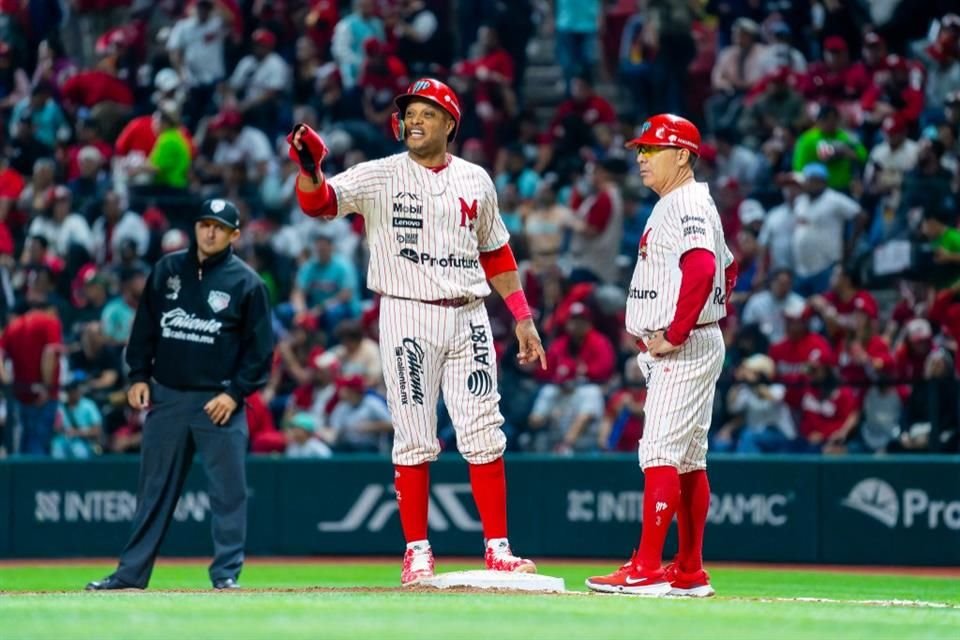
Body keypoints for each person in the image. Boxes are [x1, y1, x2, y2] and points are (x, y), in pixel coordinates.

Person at [288, 77, 547, 586]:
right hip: (407, 312)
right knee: (413, 434)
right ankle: (417, 551)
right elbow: (318, 205)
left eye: (427, 113)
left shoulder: (476, 179)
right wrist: (310, 169)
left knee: (483, 430)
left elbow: (496, 251)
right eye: (410, 112)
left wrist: (521, 315)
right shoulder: (381, 175)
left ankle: (498, 547)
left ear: (450, 123)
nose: (414, 121)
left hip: (470, 311)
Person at [86, 198, 273, 591]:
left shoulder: (247, 283)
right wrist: (138, 375)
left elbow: (260, 354)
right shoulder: (167, 269)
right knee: (153, 491)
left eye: (219, 227)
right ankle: (130, 575)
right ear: (195, 227)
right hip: (168, 396)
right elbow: (145, 329)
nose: (210, 232)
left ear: (233, 234)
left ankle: (225, 575)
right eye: (205, 223)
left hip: (218, 402)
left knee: (229, 494)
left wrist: (235, 395)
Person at [586, 114, 736, 598]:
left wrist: (676, 330)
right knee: (690, 460)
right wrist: (702, 319)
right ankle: (688, 570)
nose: (641, 157)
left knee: (658, 454)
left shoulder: (684, 201)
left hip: (684, 347)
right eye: (641, 149)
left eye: (652, 149)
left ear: (683, 156)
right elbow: (727, 273)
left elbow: (704, 268)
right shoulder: (690, 201)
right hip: (698, 340)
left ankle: (648, 566)